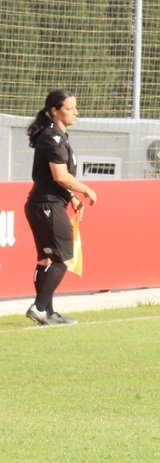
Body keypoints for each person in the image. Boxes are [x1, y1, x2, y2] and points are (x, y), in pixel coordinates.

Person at [24, 89, 96, 326]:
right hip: (47, 206)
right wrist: (85, 189)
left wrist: (72, 198)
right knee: (63, 258)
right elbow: (60, 176)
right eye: (70, 108)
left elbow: (53, 179)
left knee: (47, 260)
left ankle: (48, 312)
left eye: (76, 107)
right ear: (54, 111)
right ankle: (39, 307)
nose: (76, 112)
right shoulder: (52, 137)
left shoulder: (58, 136)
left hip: (43, 204)